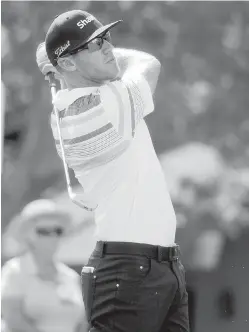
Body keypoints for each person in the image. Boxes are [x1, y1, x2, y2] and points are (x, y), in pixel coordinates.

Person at [37, 9, 189, 332]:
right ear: (66, 64)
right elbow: (149, 64)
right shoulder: (98, 108)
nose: (108, 47)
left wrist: (69, 58)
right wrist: (60, 59)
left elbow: (96, 71)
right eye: (95, 44)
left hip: (159, 268)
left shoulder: (85, 95)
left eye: (107, 38)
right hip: (127, 271)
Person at [1, 199, 88, 332]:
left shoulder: (70, 277)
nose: (52, 237)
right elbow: (13, 318)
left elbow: (82, 323)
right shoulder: (14, 271)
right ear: (28, 234)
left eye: (58, 231)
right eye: (44, 231)